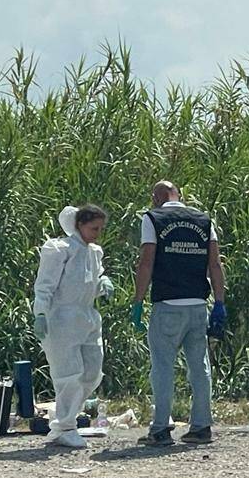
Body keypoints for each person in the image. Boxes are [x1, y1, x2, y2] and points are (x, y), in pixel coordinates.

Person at [131, 181, 226, 447]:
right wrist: (219, 302)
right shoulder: (204, 220)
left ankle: (160, 429)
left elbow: (146, 261)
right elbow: (215, 264)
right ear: (179, 196)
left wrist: (138, 302)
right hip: (198, 305)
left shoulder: (153, 218)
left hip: (168, 304)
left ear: (155, 197)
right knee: (200, 368)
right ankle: (201, 427)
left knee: (162, 367)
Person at [32, 204, 113, 449]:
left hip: (87, 316)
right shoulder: (59, 250)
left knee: (92, 372)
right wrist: (41, 313)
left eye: (100, 229)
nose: (97, 233)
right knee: (68, 374)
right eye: (93, 228)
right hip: (62, 318)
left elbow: (87, 282)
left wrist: (103, 284)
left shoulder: (94, 252)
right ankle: (64, 427)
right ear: (79, 225)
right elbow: (45, 285)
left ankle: (65, 420)